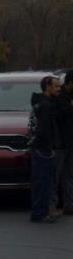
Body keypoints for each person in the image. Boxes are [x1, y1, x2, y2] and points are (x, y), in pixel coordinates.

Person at [29, 75, 63, 223]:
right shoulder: (45, 106)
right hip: (42, 149)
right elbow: (44, 130)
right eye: (55, 86)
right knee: (43, 182)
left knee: (41, 182)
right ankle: (39, 213)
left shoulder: (41, 103)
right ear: (47, 87)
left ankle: (40, 212)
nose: (58, 89)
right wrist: (49, 148)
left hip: (38, 148)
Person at [58, 71, 73, 213]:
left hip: (69, 142)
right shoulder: (60, 97)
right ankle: (53, 204)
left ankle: (69, 204)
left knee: (68, 174)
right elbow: (60, 116)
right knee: (57, 175)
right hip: (61, 143)